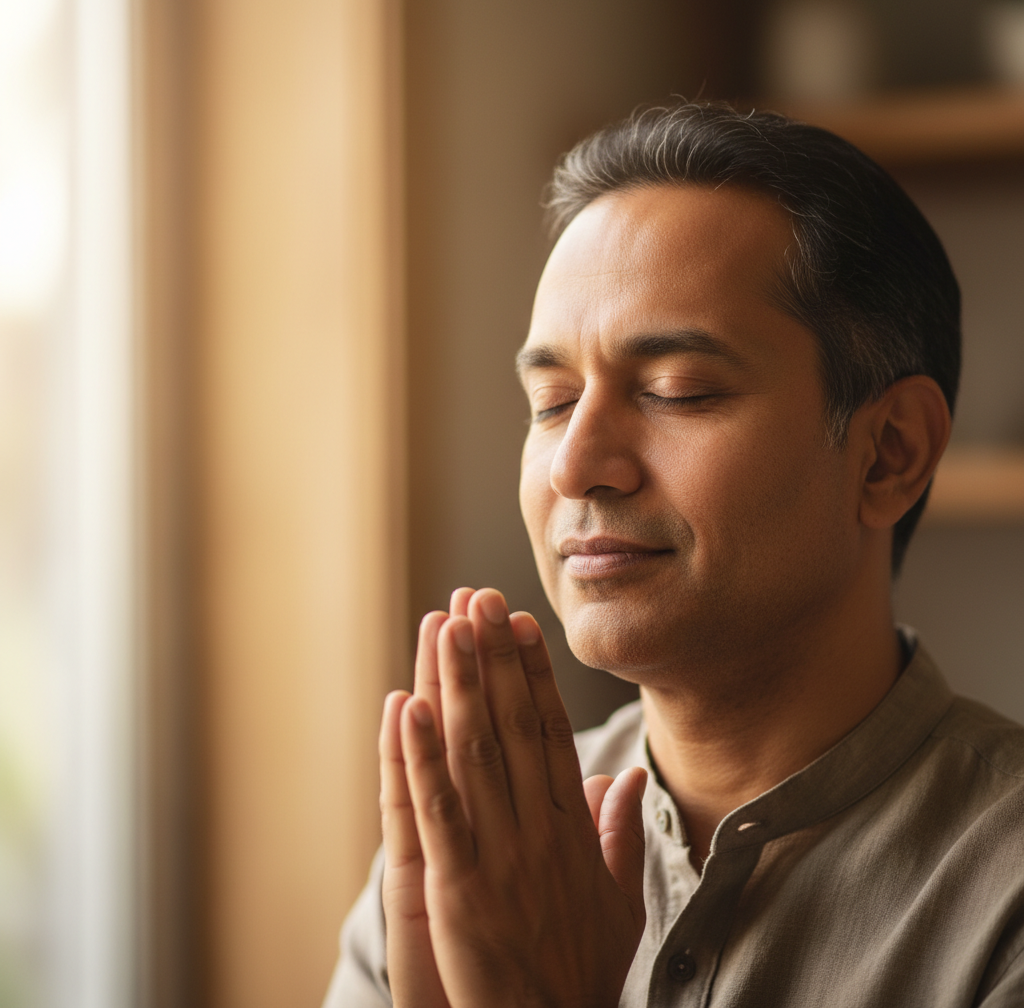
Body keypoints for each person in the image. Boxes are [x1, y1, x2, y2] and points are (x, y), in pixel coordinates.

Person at [322, 102, 1024, 1008]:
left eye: (676, 390)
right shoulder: (472, 855)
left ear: (889, 452)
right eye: (550, 401)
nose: (575, 463)